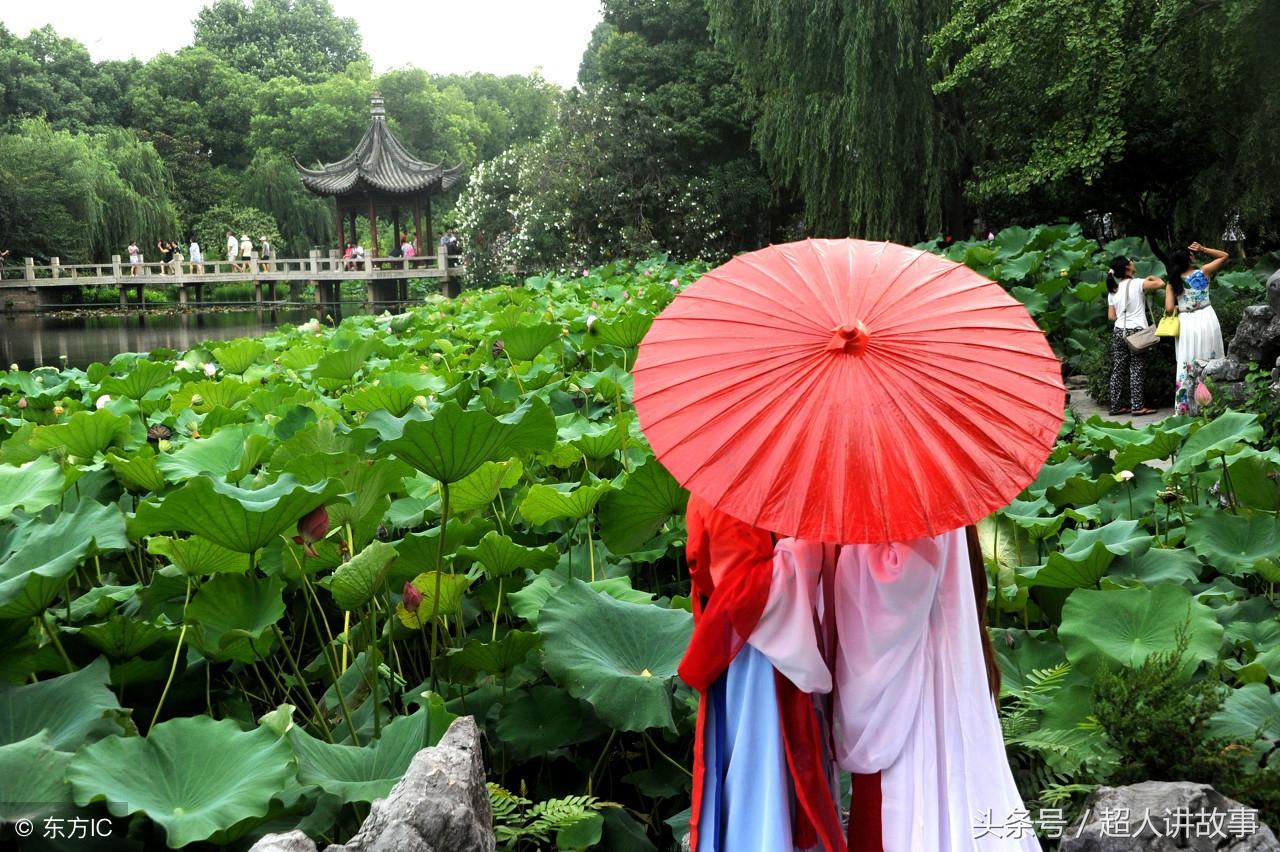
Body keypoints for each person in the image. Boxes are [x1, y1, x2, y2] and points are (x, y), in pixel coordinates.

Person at [1165, 242, 1227, 415]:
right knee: (1210, 358)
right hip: (1207, 317)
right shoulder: (1204, 271)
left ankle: (1185, 408)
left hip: (1187, 322)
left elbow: (1169, 309)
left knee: (1187, 362)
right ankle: (1214, 403)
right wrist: (1204, 249)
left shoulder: (1172, 282)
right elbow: (1224, 256)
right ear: (1190, 257)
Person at [1105, 255, 1164, 416]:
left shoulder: (1113, 290)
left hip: (1119, 331)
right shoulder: (1138, 283)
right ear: (1127, 268)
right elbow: (1160, 283)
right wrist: (1149, 276)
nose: (1134, 262)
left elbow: (1111, 316)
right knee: (1136, 368)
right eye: (1131, 261)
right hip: (1136, 331)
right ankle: (1137, 407)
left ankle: (1115, 407)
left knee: (1118, 368)